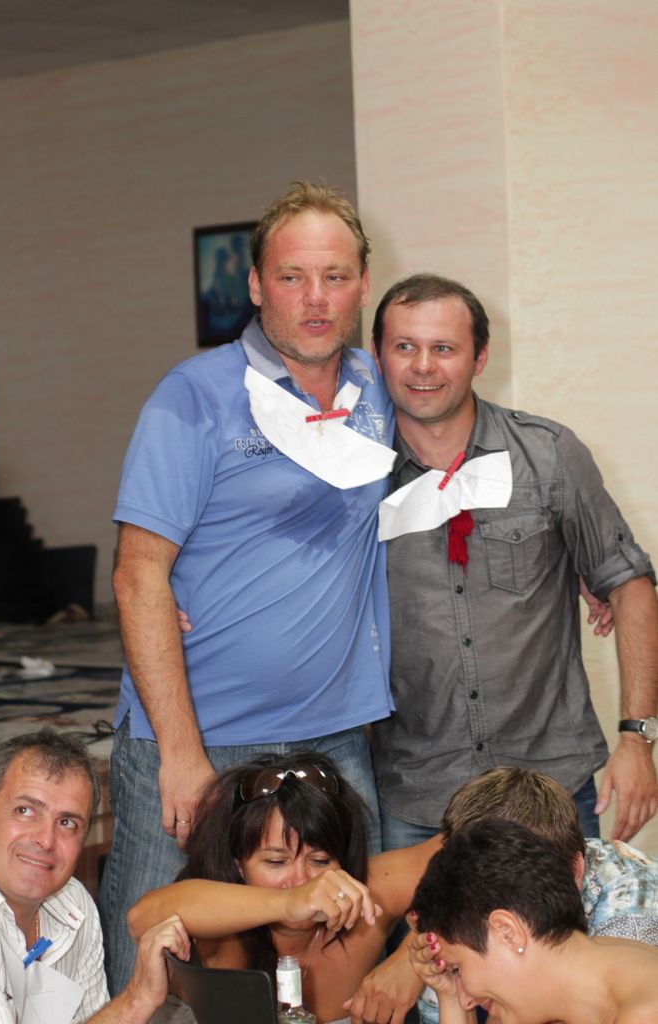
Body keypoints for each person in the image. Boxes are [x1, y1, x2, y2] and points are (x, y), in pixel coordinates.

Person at [100, 181, 397, 993]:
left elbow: (461, 456)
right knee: (154, 970)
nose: (315, 299)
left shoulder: (380, 390)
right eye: (292, 277)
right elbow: (137, 572)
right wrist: (180, 753)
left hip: (334, 737)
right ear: (257, 285)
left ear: (363, 285)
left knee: (342, 966)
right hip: (199, 738)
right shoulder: (194, 395)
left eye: (335, 277)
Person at [369, 272, 658, 848]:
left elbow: (629, 584)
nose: (423, 366)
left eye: (444, 348)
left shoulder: (548, 455)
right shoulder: (353, 478)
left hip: (548, 785)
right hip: (416, 795)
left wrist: (637, 739)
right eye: (405, 346)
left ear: (479, 357)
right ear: (377, 355)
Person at [127, 752, 442, 1024]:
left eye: (320, 860)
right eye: (276, 862)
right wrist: (289, 903)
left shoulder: (369, 893)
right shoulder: (216, 918)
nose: (303, 881)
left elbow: (471, 843)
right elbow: (141, 918)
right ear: (238, 864)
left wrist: (414, 959)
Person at [0, 728, 190, 1023]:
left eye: (67, 822)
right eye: (25, 810)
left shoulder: (74, 904)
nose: (46, 840)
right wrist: (135, 1001)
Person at [414, 765, 658, 1024]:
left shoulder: (645, 1010)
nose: (466, 1000)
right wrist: (450, 997)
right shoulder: (602, 965)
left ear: (507, 931)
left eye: (458, 969)